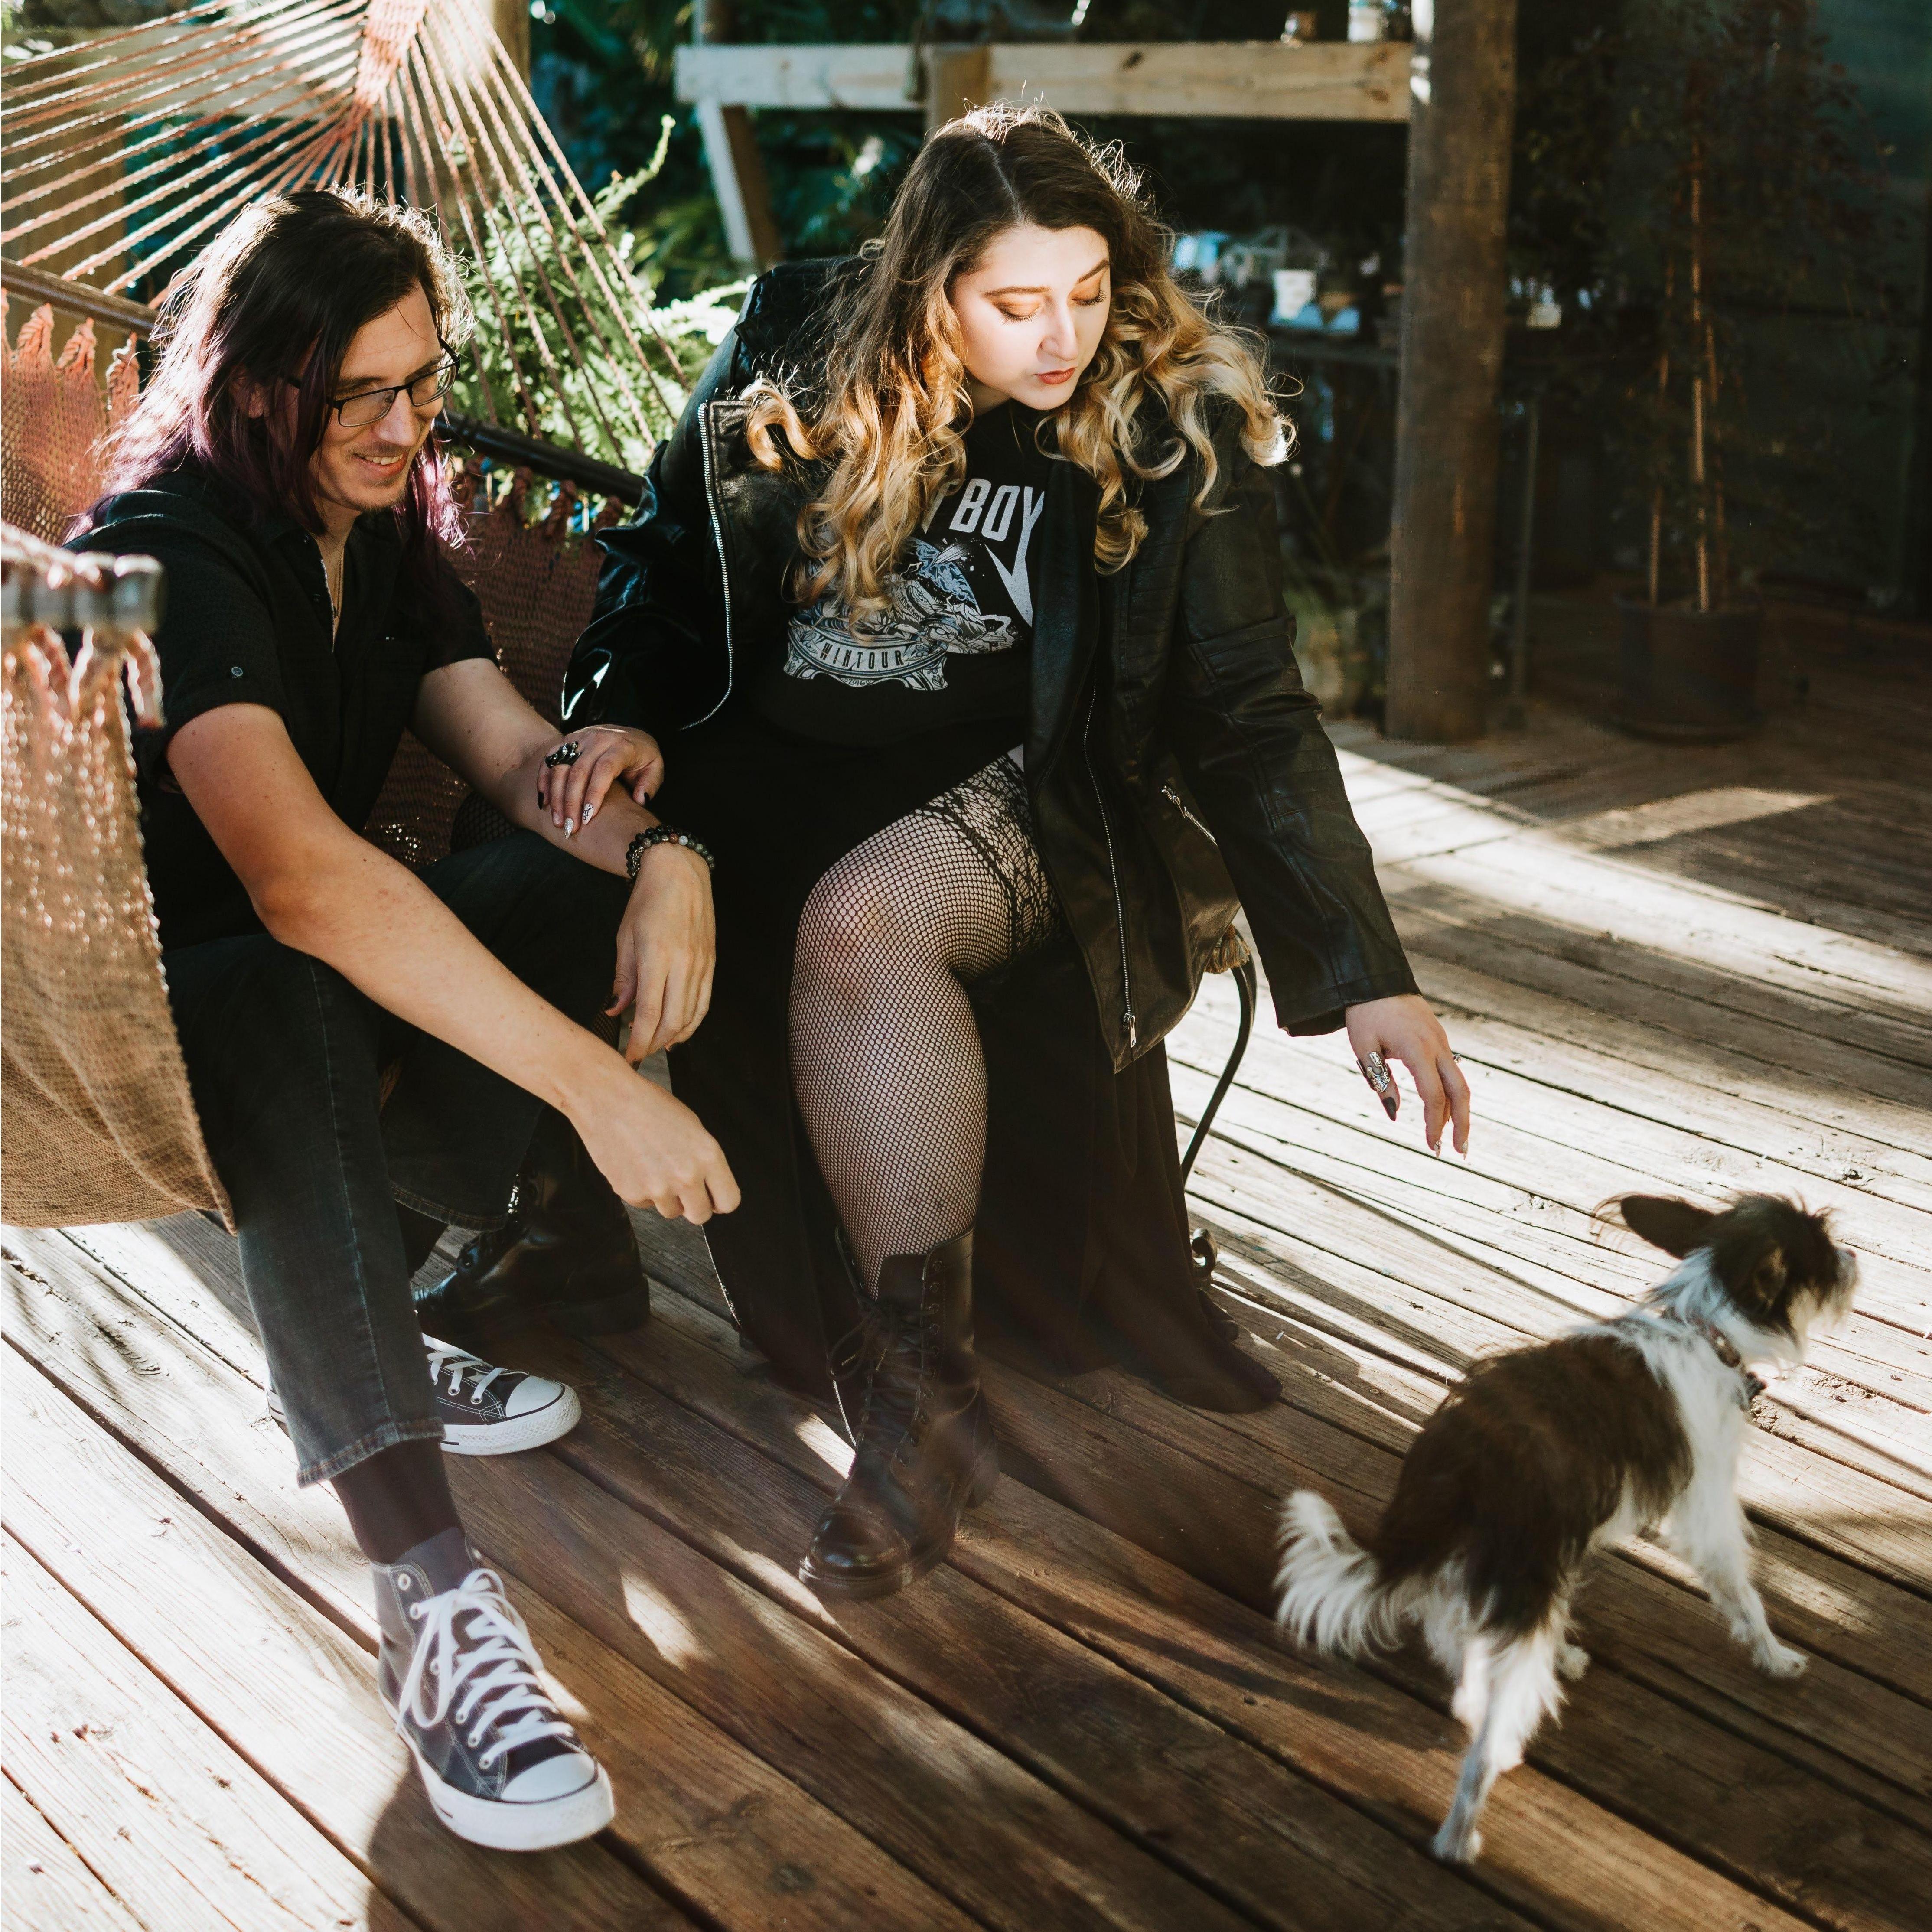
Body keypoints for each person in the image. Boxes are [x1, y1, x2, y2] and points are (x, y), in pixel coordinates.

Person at [549, 105, 1472, 1602]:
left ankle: (922, 1412)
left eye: (1091, 292)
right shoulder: (801, 335)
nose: (1064, 337)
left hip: (1042, 789)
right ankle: (547, 1233)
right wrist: (629, 712)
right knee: (551, 836)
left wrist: (1367, 972)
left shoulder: (1173, 419)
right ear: (931, 288)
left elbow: (1248, 715)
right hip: (775, 759)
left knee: (859, 924)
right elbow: (665, 549)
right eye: (1016, 303)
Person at [74, 189, 738, 1851]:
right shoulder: (172, 552)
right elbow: (297, 881)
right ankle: (432, 1599)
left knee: (565, 884)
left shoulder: (382, 537)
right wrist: (600, 1089)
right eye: (353, 394)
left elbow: (524, 765)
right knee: (302, 976)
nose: (398, 426)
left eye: (422, 384)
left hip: (337, 998)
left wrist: (664, 856)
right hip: (143, 1019)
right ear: (251, 387)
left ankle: (375, 1306)